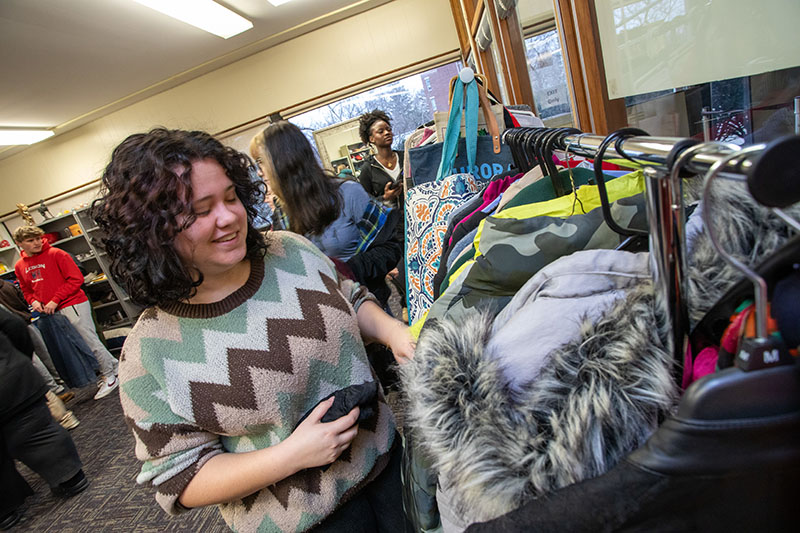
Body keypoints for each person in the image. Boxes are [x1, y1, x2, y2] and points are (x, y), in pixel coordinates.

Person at [93, 128, 414, 533]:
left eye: (230, 198)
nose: (228, 217)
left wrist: (392, 331)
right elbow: (180, 476)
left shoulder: (290, 249)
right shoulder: (149, 351)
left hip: (390, 465)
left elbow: (348, 297)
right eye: (199, 210)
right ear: (152, 232)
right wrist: (291, 456)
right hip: (304, 522)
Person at [250, 121, 402, 307]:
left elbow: (389, 249)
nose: (259, 172)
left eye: (261, 162)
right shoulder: (282, 213)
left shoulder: (348, 193)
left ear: (284, 162)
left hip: (369, 305)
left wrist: (347, 270)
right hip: (327, 313)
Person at [0, 307, 89, 530]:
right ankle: (71, 477)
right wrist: (17, 360)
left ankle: (5, 512)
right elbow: (15, 326)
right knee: (39, 430)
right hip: (15, 379)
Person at [13, 226, 119, 400]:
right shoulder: (20, 266)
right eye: (30, 240)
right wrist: (33, 301)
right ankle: (114, 368)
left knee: (89, 341)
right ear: (20, 244)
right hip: (52, 312)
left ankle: (109, 376)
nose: (37, 243)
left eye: (38, 238)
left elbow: (76, 279)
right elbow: (26, 289)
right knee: (79, 346)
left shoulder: (56, 254)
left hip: (72, 303)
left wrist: (55, 299)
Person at [357, 110, 404, 209]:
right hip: (390, 222)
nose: (387, 133)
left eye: (389, 129)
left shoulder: (405, 157)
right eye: (380, 131)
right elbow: (364, 204)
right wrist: (385, 198)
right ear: (371, 139)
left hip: (417, 215)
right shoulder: (368, 168)